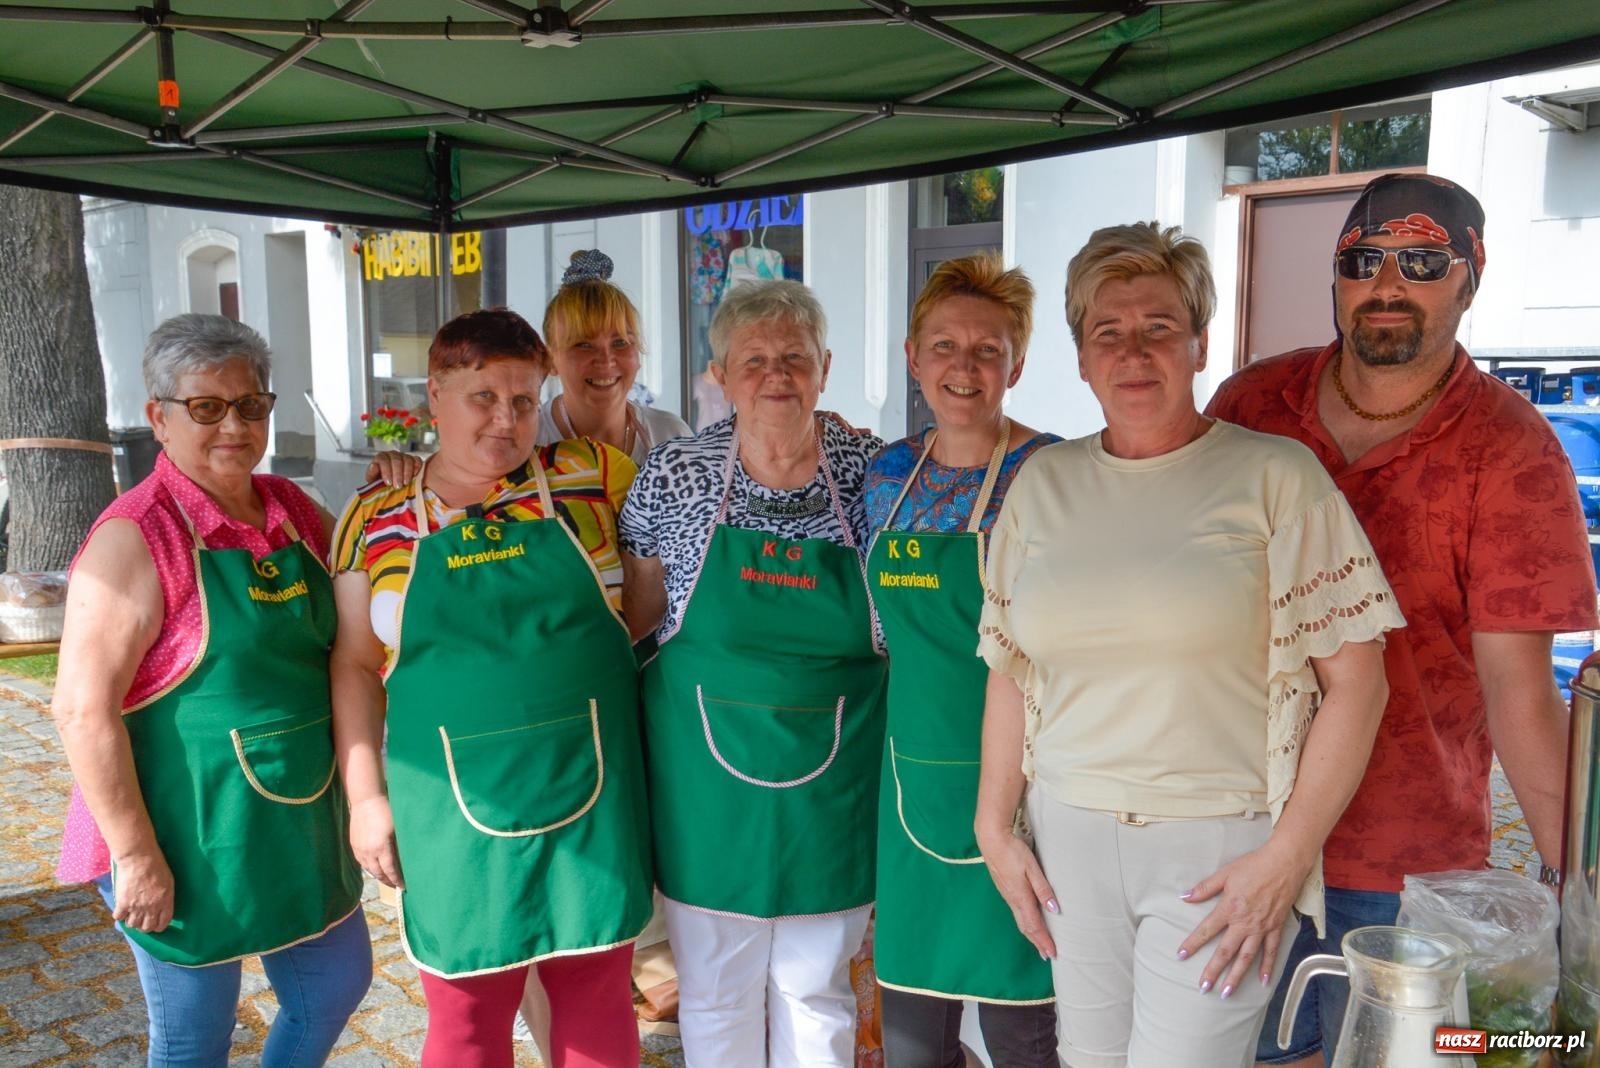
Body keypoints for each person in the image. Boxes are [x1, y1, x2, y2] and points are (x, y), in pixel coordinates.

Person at [975, 223, 1401, 1068]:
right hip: (1069, 844)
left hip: (1217, 850)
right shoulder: (1042, 483)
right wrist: (994, 824)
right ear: (1082, 357)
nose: (1135, 351)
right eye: (1109, 333)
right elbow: (1011, 670)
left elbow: (1360, 686)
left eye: (1160, 327)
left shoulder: (1276, 478)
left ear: (1200, 342)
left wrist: (1287, 856)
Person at [1204, 173, 1599, 1067]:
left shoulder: (1513, 450)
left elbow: (1520, 694)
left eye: (1422, 261)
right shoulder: (1249, 409)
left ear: (1473, 272)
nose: (1387, 284)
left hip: (1396, 867)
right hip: (1231, 828)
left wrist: (1583, 904)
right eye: (1363, 261)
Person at [330, 307, 651, 1068]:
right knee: (467, 1012)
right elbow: (351, 662)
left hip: (591, 788)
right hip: (443, 802)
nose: (507, 421)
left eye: (523, 400)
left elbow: (647, 601)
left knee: (598, 994)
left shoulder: (594, 476)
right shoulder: (376, 515)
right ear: (434, 395)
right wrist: (367, 798)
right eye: (483, 398)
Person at [52, 313, 371, 1066]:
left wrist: (396, 484)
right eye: (206, 407)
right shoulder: (135, 535)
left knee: (333, 985)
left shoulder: (292, 510)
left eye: (251, 405)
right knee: (195, 1035)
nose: (234, 424)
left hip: (296, 813)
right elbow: (79, 708)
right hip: (182, 827)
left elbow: (364, 596)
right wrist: (134, 855)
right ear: (158, 417)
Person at [619, 279, 887, 1067]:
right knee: (713, 989)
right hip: (705, 785)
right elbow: (641, 623)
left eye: (795, 358)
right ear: (721, 374)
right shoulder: (672, 475)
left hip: (835, 782)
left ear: (825, 368)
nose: (777, 375)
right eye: (756, 359)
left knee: (816, 991)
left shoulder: (878, 477)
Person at [862, 252, 1059, 1067]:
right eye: (944, 346)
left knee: (1024, 1030)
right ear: (913, 357)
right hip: (910, 778)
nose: (965, 368)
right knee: (912, 1038)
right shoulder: (885, 475)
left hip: (1026, 793)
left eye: (989, 349)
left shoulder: (1052, 472)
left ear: (1018, 362)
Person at [538, 249, 692, 464]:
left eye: (620, 342)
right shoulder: (528, 442)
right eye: (583, 344)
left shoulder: (671, 437)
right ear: (550, 360)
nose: (606, 359)